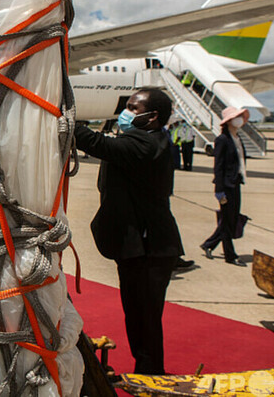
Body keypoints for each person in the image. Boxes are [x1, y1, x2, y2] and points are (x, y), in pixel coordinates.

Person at [75, 87, 184, 375]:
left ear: (153, 117)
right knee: (137, 315)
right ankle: (147, 370)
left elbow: (98, 144)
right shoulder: (147, 140)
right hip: (140, 249)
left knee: (145, 318)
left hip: (150, 249)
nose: (125, 112)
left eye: (134, 108)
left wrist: (63, 120)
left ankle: (151, 374)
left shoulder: (148, 144)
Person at [200, 106, 249, 267]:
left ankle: (209, 244)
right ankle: (230, 255)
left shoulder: (237, 138)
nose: (239, 120)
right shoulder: (222, 140)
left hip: (236, 182)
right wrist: (219, 190)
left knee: (231, 219)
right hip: (226, 185)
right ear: (228, 121)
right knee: (228, 220)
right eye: (236, 117)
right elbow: (218, 166)